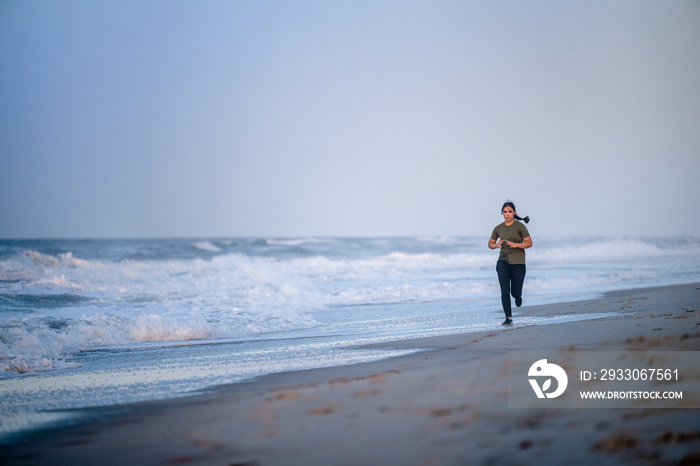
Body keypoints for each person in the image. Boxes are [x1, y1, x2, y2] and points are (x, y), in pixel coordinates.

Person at [488, 201, 532, 326]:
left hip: (518, 263)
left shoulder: (520, 227)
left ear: (514, 213)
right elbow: (489, 244)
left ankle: (518, 296)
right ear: (502, 213)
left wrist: (516, 245)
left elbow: (529, 243)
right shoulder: (498, 228)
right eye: (505, 212)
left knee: (515, 292)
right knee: (504, 290)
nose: (507, 214)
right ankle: (508, 318)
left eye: (510, 212)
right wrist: (496, 245)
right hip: (503, 262)